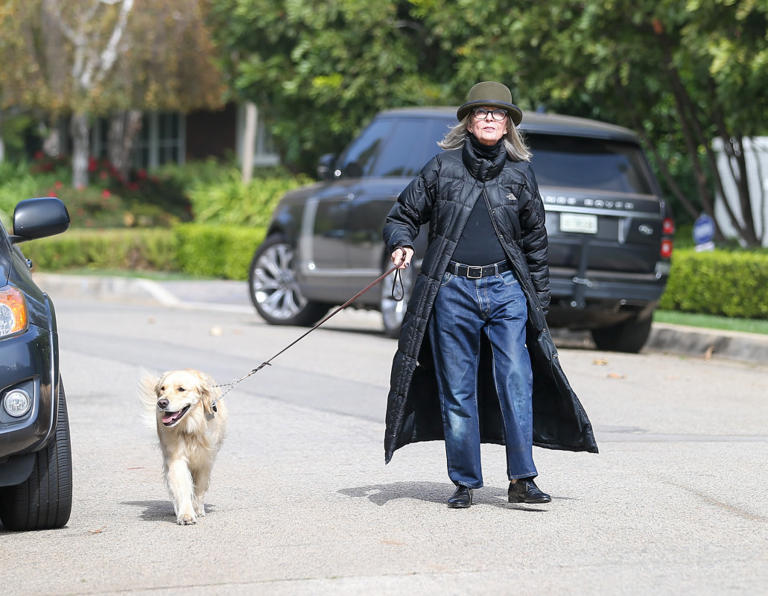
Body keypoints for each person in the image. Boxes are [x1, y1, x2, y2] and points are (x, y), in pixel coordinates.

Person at [383, 81, 598, 509]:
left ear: (508, 126)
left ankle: (522, 478)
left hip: (505, 289)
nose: (489, 118)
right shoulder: (441, 168)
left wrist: (537, 301)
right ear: (468, 120)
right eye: (481, 111)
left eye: (498, 113)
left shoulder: (520, 174)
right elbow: (403, 214)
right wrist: (402, 241)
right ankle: (465, 482)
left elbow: (536, 243)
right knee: (458, 388)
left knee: (516, 379)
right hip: (452, 290)